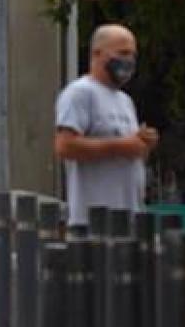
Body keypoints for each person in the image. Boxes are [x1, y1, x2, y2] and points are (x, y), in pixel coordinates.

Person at [54, 23, 157, 227]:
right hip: (95, 226)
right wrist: (123, 146)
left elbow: (129, 150)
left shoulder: (125, 101)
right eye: (123, 53)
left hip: (130, 221)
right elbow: (64, 146)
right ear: (97, 53)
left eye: (133, 55)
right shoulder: (80, 93)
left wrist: (142, 144)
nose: (129, 61)